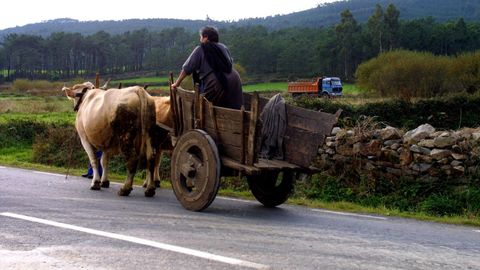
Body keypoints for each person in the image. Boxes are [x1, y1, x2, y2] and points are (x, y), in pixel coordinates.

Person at [171, 26, 243, 109]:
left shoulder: (200, 49)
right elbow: (229, 63)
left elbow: (187, 69)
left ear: (206, 38)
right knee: (232, 106)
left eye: (201, 37)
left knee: (202, 108)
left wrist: (177, 84)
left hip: (216, 81)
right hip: (235, 78)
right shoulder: (223, 47)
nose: (200, 39)